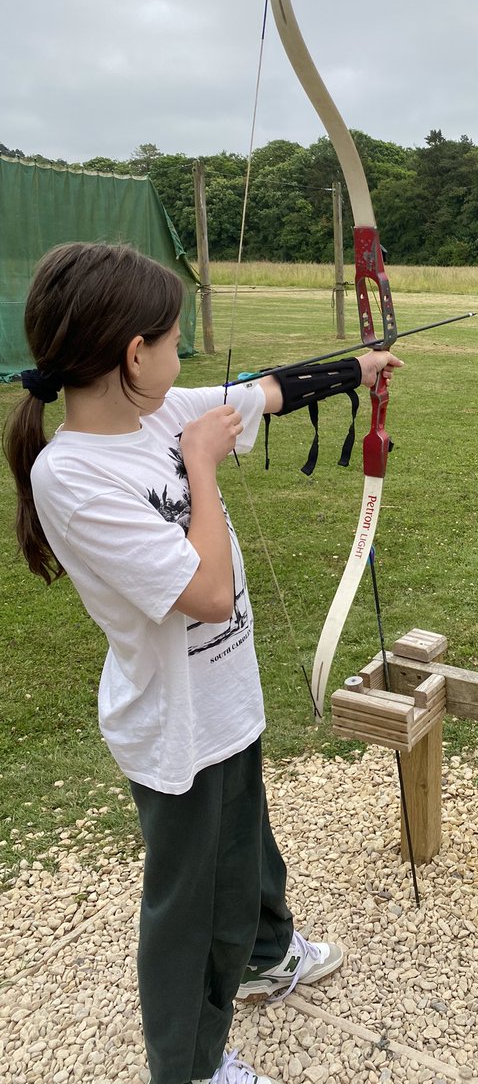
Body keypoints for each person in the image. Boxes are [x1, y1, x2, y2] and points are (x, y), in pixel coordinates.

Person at [3, 242, 403, 1084]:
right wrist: (202, 468)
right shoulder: (71, 476)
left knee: (248, 844)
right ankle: (188, 1066)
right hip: (173, 725)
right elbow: (209, 593)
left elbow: (260, 392)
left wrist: (357, 370)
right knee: (193, 912)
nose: (183, 354)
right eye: (174, 339)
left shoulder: (155, 409)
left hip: (223, 699)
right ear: (132, 354)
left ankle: (264, 955)